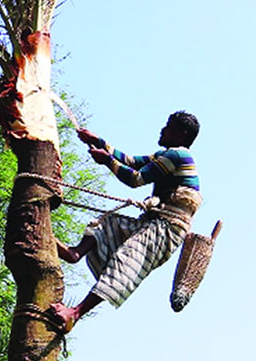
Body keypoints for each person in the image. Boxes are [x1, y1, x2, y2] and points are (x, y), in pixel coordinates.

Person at [50, 111, 203, 333]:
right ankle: (75, 253)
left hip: (167, 228)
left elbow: (135, 179)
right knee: (107, 225)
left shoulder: (178, 156)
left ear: (182, 134)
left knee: (127, 261)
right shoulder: (167, 155)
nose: (162, 129)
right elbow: (131, 161)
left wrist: (106, 161)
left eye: (168, 127)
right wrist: (97, 141)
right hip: (154, 222)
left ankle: (75, 313)